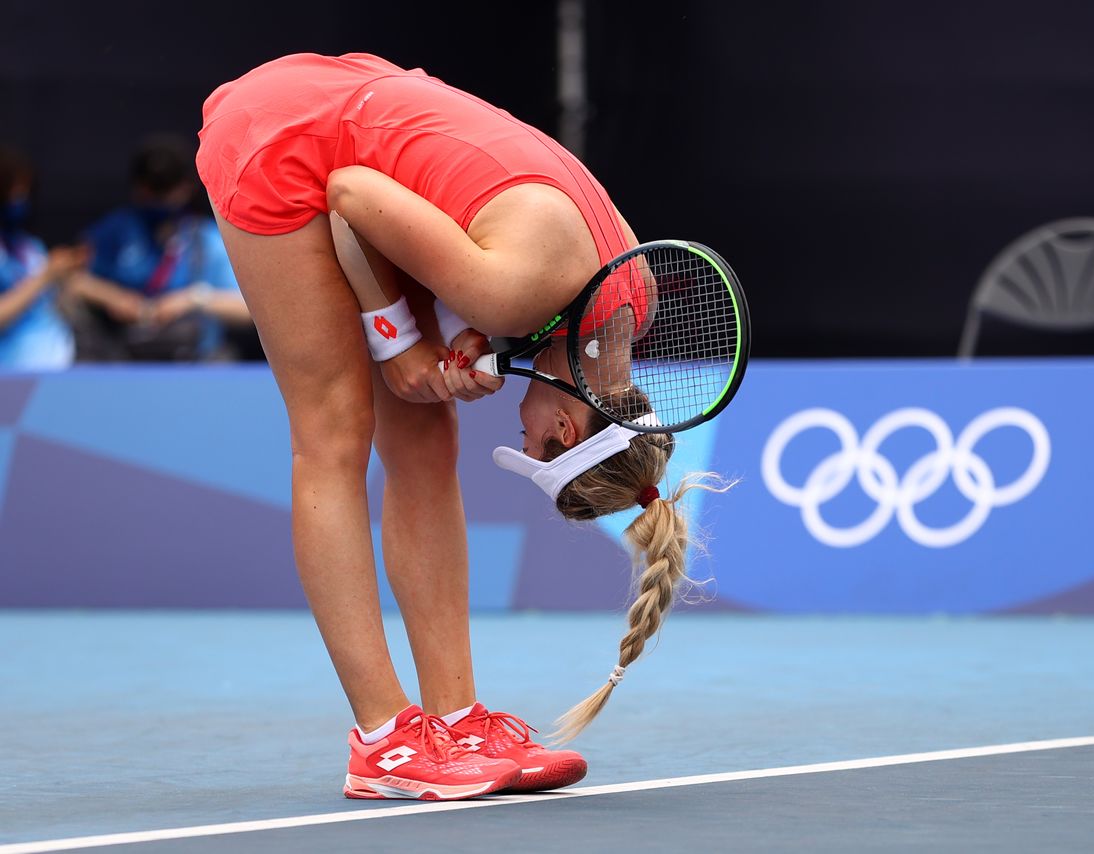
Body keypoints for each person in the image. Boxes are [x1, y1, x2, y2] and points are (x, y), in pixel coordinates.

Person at [197, 53, 710, 801]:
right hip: (290, 134)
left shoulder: (631, 300)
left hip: (372, 113)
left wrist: (481, 336)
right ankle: (382, 742)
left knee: (428, 437)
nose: (522, 429)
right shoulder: (514, 297)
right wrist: (399, 338)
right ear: (569, 427)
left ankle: (457, 719)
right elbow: (348, 198)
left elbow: (511, 268)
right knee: (334, 433)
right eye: (536, 444)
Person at [66, 136, 253, 361]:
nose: (157, 199)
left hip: (195, 362)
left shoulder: (208, 239)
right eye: (150, 190)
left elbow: (248, 310)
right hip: (124, 358)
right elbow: (70, 281)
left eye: (165, 190)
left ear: (185, 189)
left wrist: (193, 300)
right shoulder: (114, 230)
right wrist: (112, 297)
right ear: (137, 187)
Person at [0, 146, 81, 370]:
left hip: (59, 370)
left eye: (24, 192)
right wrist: (45, 277)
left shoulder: (28, 246)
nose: (20, 199)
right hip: (13, 379)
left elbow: (62, 291)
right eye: (12, 192)